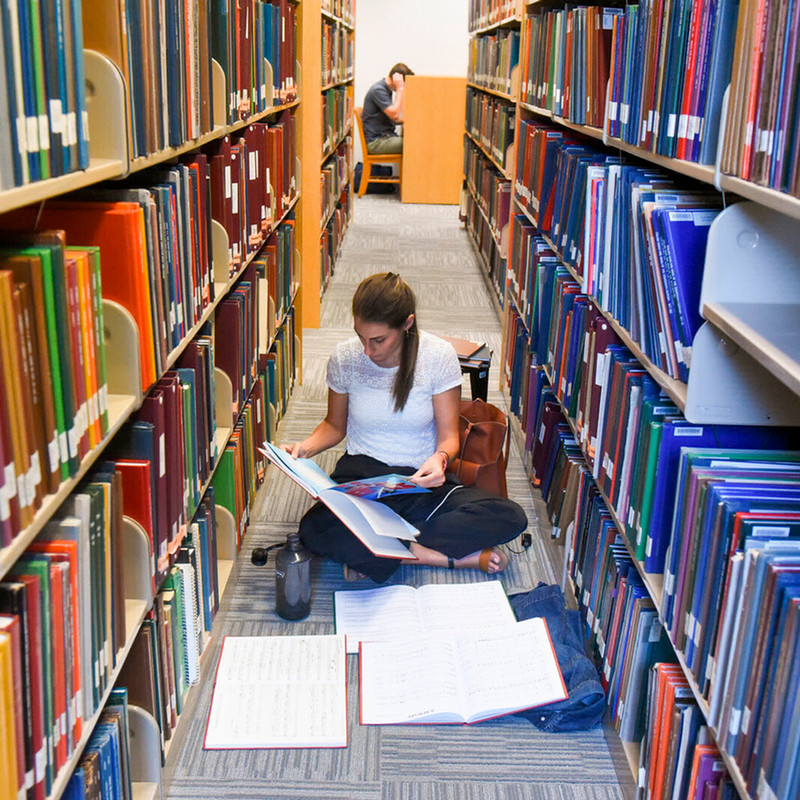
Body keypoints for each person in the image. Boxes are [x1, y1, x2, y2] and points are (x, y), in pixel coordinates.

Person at [281, 272, 528, 583]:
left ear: (407, 324)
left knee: (510, 516)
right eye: (361, 337)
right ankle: (444, 558)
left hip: (418, 482)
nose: (368, 350)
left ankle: (385, 549)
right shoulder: (344, 357)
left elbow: (450, 437)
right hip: (361, 480)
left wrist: (439, 460)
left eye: (379, 340)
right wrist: (304, 448)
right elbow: (334, 425)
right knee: (312, 530)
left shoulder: (437, 357)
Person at [361, 63, 415, 154]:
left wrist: (410, 121)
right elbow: (394, 114)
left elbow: (393, 118)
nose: (404, 87)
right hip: (376, 142)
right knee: (413, 143)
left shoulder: (385, 90)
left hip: (385, 137)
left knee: (415, 138)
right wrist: (400, 89)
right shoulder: (378, 90)